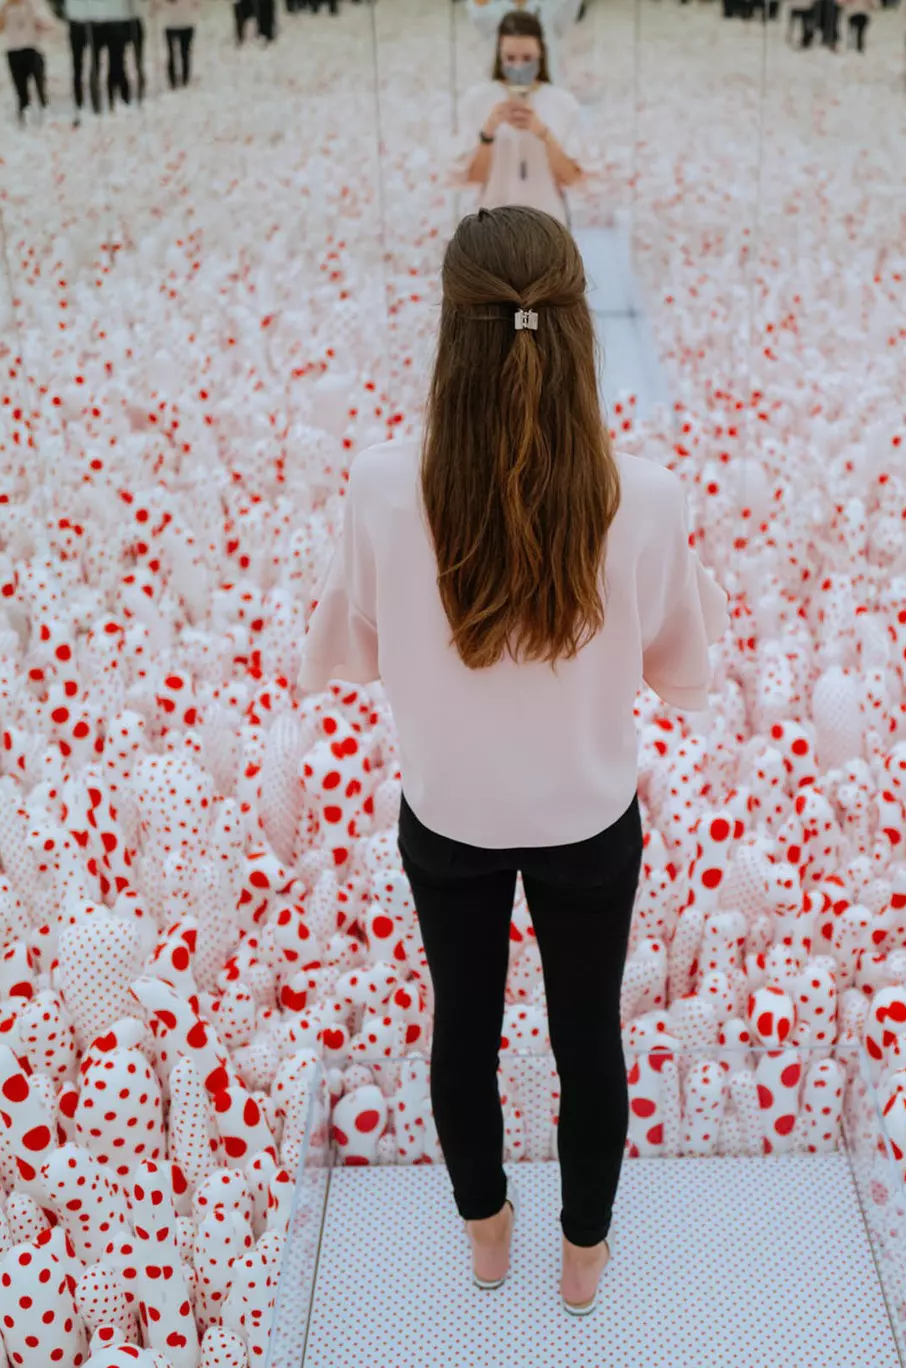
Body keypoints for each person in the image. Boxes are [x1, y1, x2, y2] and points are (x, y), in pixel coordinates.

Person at [302, 205, 726, 1319]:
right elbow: (685, 668)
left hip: (449, 819)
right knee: (588, 1037)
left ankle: (487, 1238)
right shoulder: (646, 495)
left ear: (452, 331)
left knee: (463, 1029)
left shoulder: (383, 484)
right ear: (578, 327)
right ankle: (582, 1259)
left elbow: (353, 642)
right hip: (590, 817)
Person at [460, 12, 582, 225]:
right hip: (493, 225)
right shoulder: (478, 100)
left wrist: (543, 134)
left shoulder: (563, 103)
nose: (518, 67)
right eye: (510, 58)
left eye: (527, 58)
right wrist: (488, 133)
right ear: (499, 55)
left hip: (547, 225)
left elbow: (571, 178)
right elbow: (473, 177)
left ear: (541, 54)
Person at [471, 0, 577, 87]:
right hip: (503, 92)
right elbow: (480, 12)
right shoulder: (490, 12)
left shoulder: (551, 8)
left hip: (547, 90)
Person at [0, 0, 59, 119]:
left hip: (34, 48)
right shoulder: (0, 3)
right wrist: (5, 8)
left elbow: (49, 25)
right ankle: (23, 115)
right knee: (21, 90)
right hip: (13, 49)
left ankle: (44, 111)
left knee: (40, 86)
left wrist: (31, 10)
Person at [155, 0, 193, 85]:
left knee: (173, 54)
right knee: (184, 53)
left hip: (172, 24)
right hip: (184, 22)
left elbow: (157, 6)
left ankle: (174, 80)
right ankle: (184, 79)